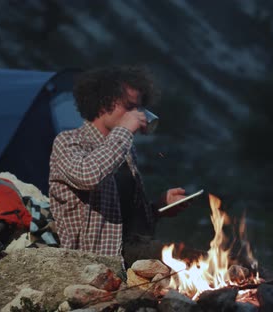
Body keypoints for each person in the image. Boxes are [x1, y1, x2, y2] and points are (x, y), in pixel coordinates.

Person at [48, 65, 189, 266]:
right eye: (129, 107)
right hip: (91, 262)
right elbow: (89, 177)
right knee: (192, 259)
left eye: (138, 108)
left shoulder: (125, 150)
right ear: (103, 103)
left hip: (129, 253)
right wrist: (124, 130)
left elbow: (129, 221)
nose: (136, 115)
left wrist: (159, 208)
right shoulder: (69, 141)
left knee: (202, 259)